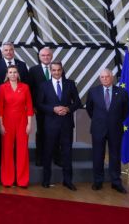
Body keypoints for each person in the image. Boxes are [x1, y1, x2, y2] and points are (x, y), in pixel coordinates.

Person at [38, 60, 82, 190]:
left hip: (66, 124)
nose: (56, 72)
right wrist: (53, 109)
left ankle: (67, 181)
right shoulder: (44, 85)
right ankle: (46, 180)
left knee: (67, 153)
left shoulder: (70, 84)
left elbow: (77, 102)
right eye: (54, 70)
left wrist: (68, 109)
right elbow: (39, 104)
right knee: (48, 152)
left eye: (59, 70)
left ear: (62, 70)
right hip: (50, 125)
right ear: (50, 71)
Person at [86, 69, 129, 193]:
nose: (105, 79)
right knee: (98, 155)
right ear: (99, 78)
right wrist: (99, 120)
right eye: (102, 77)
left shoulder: (122, 92)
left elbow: (126, 111)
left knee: (115, 156)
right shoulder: (93, 92)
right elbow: (90, 109)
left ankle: (116, 182)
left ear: (112, 77)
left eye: (107, 76)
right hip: (98, 128)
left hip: (115, 129)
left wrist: (114, 121)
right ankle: (98, 181)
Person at [0, 65, 34, 188]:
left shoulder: (25, 87)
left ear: (18, 74)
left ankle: (22, 180)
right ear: (7, 75)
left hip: (22, 121)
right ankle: (7, 180)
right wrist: (1, 125)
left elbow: (29, 106)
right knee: (7, 150)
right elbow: (0, 108)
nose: (13, 74)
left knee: (22, 150)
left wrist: (29, 124)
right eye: (10, 72)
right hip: (7, 121)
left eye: (15, 72)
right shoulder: (2, 87)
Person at [29, 47, 62, 166]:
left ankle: (57, 157)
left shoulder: (58, 69)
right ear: (39, 57)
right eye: (43, 55)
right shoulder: (33, 70)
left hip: (56, 107)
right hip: (40, 107)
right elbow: (30, 89)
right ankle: (40, 157)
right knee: (41, 132)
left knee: (57, 132)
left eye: (48, 55)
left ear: (51, 56)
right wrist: (33, 106)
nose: (46, 57)